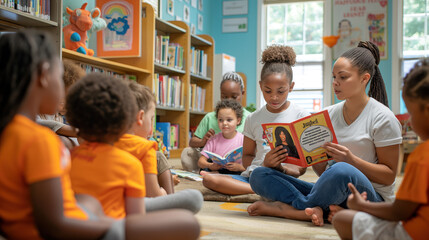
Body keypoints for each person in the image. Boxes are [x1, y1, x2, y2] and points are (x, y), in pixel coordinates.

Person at [0, 29, 199, 240]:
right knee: (188, 224)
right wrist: (114, 228)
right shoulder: (39, 141)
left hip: (36, 226)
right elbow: (53, 226)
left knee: (91, 202)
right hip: (65, 231)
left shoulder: (9, 131)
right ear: (43, 75)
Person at [248, 41, 402, 227]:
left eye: (343, 77)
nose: (335, 83)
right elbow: (324, 174)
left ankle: (294, 210)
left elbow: (389, 176)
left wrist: (350, 160)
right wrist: (316, 160)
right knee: (259, 175)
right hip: (334, 192)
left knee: (341, 169)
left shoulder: (383, 118)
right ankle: (320, 208)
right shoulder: (328, 115)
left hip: (372, 200)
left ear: (364, 79)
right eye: (334, 76)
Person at [332, 58, 429, 240]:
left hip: (414, 233)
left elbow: (400, 211)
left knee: (342, 218)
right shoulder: (332, 113)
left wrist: (362, 206)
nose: (410, 122)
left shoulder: (422, 156)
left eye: (412, 114)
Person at [202, 45, 310, 195]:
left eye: (281, 91)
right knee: (209, 180)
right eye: (267, 91)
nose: (274, 97)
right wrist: (264, 165)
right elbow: (247, 156)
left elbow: (301, 168)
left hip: (285, 177)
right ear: (260, 86)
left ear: (291, 87)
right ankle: (262, 191)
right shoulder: (253, 118)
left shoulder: (302, 116)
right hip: (256, 175)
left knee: (295, 185)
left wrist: (280, 168)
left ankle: (266, 190)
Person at [115, 81, 203, 213]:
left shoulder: (105, 141)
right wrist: (163, 192)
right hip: (135, 208)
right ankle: (171, 208)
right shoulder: (145, 148)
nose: (152, 126)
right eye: (151, 119)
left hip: (103, 205)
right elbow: (154, 197)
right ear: (140, 117)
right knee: (194, 198)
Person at [181, 72, 251, 172]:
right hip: (212, 158)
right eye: (224, 97)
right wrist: (203, 141)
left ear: (242, 94)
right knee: (187, 153)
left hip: (238, 162)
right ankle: (203, 170)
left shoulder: (250, 118)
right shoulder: (210, 117)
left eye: (234, 97)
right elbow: (192, 142)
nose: (229, 100)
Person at [36, 59, 86, 149]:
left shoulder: (60, 116)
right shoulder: (35, 109)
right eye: (62, 99)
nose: (67, 106)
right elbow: (37, 123)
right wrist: (76, 131)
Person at [198, 99, 245, 175]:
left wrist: (240, 167)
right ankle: (215, 175)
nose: (224, 123)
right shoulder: (213, 139)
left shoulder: (243, 139)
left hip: (236, 171)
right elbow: (201, 161)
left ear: (238, 121)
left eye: (229, 120)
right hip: (218, 169)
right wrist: (210, 165)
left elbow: (252, 164)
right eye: (220, 120)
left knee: (247, 173)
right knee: (205, 168)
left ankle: (215, 177)